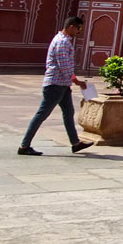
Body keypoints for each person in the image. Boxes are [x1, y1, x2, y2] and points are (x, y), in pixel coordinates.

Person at [18, 16, 94, 156]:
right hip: (55, 84)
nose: (79, 32)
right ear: (71, 26)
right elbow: (64, 66)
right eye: (79, 28)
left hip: (62, 85)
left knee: (68, 112)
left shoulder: (63, 41)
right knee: (42, 114)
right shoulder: (62, 42)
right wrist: (77, 82)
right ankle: (24, 145)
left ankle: (75, 143)